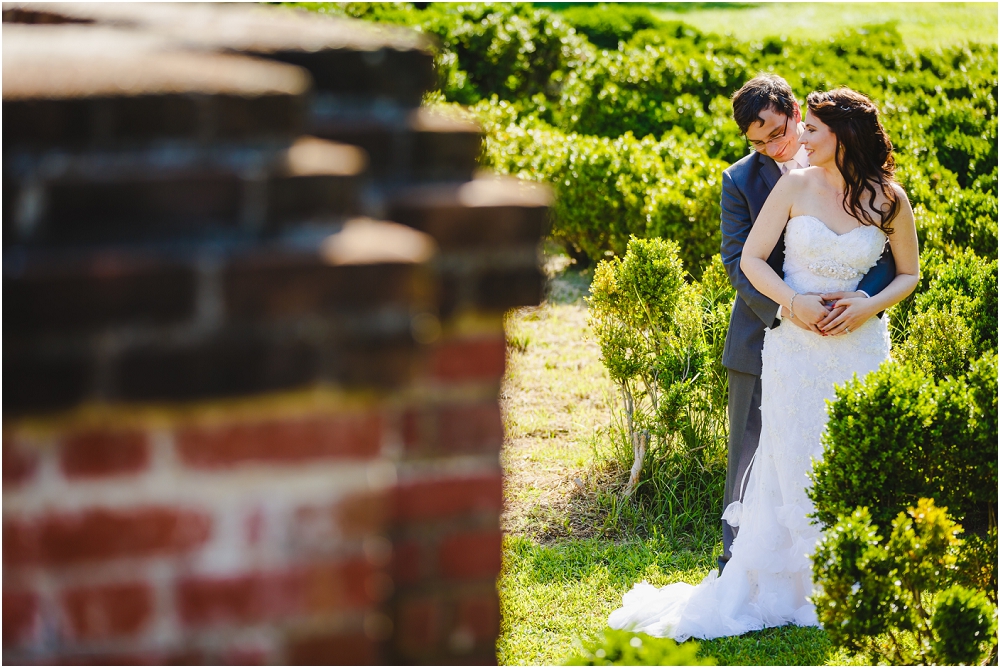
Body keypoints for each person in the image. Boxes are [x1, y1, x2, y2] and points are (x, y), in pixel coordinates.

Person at [607, 87, 920, 640]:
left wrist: (866, 306)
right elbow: (743, 258)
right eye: (762, 140)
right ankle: (763, 572)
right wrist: (792, 306)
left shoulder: (887, 196)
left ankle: (851, 570)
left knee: (849, 450)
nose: (784, 145)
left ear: (810, 122)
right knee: (773, 453)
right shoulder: (767, 182)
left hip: (858, 342)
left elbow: (906, 270)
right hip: (782, 339)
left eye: (787, 131)